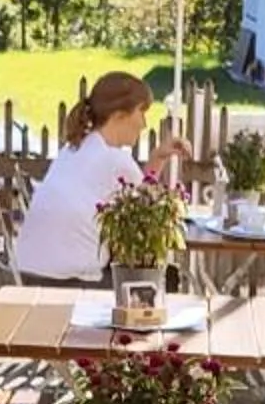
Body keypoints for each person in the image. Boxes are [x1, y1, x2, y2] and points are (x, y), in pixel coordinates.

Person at [11, 71, 191, 287]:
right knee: (164, 278)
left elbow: (139, 197)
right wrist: (159, 159)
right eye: (141, 112)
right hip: (68, 282)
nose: (144, 124)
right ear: (119, 115)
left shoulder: (73, 149)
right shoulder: (114, 160)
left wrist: (158, 157)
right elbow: (146, 219)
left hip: (27, 275)